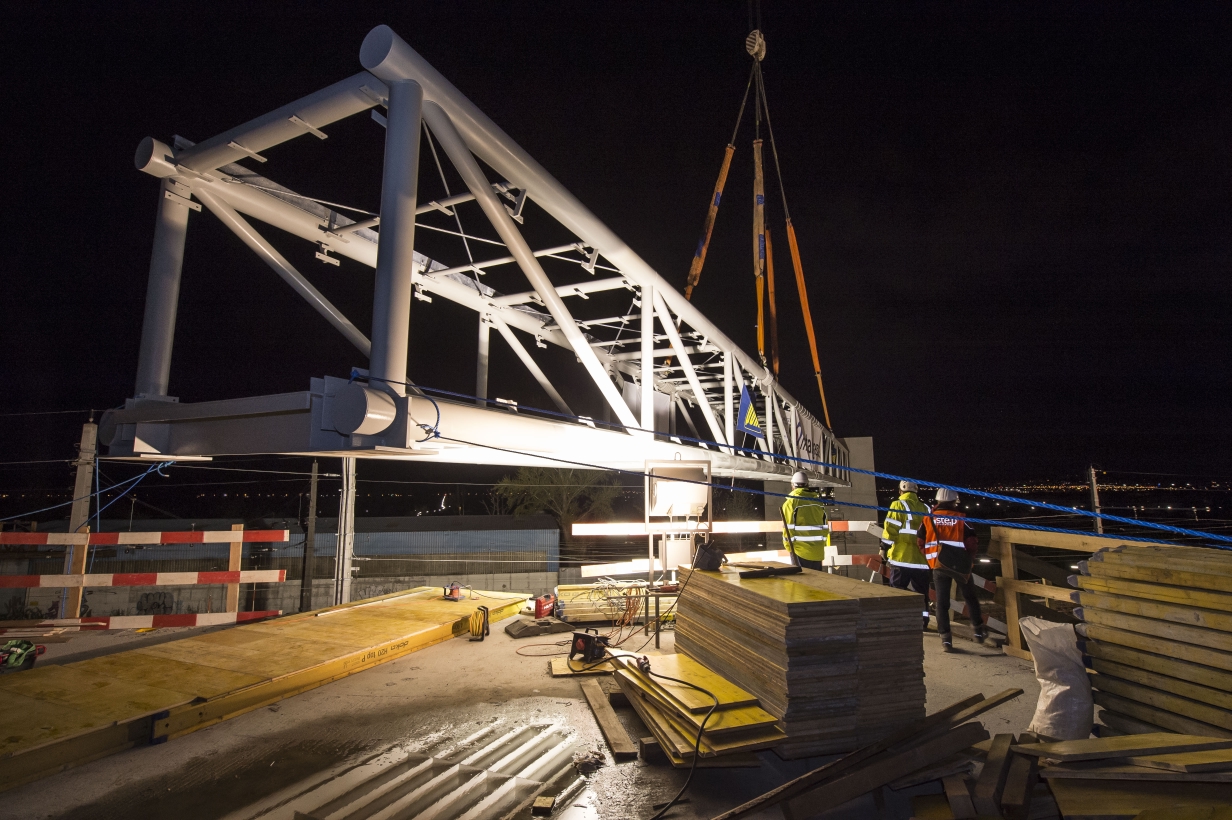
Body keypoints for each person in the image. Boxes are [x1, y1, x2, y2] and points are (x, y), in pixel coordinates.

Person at [918, 488, 987, 651]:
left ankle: (946, 640)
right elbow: (972, 542)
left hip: (938, 565)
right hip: (960, 565)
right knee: (970, 597)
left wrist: (931, 558)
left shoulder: (929, 519)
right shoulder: (961, 519)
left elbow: (920, 540)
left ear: (937, 501)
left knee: (942, 602)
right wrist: (969, 561)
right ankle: (978, 631)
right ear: (954, 501)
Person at [880, 480, 933, 631]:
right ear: (916, 492)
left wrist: (884, 547)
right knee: (922, 594)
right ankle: (923, 622)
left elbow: (890, 529)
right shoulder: (926, 508)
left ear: (900, 491)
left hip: (901, 558)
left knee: (897, 591)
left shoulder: (898, 505)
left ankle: (899, 621)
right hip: (922, 560)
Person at [781, 471, 829, 570]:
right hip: (817, 551)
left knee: (802, 584)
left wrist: (789, 547)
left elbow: (788, 528)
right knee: (816, 583)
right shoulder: (818, 502)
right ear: (807, 485)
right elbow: (825, 525)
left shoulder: (791, 502)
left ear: (792, 485)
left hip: (800, 551)